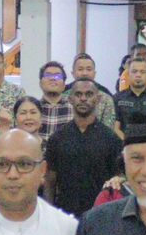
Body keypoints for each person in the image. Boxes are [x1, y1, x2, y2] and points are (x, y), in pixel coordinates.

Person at [45, 77, 123, 217]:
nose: (83, 98)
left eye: (89, 94)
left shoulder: (111, 139)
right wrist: (48, 214)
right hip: (65, 216)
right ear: (70, 99)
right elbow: (50, 181)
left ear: (98, 99)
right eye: (78, 94)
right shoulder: (57, 138)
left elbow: (118, 179)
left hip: (101, 216)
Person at [115, 55, 146, 132]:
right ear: (128, 74)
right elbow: (115, 128)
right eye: (134, 71)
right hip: (124, 142)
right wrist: (128, 142)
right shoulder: (117, 98)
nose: (138, 75)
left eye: (142, 72)